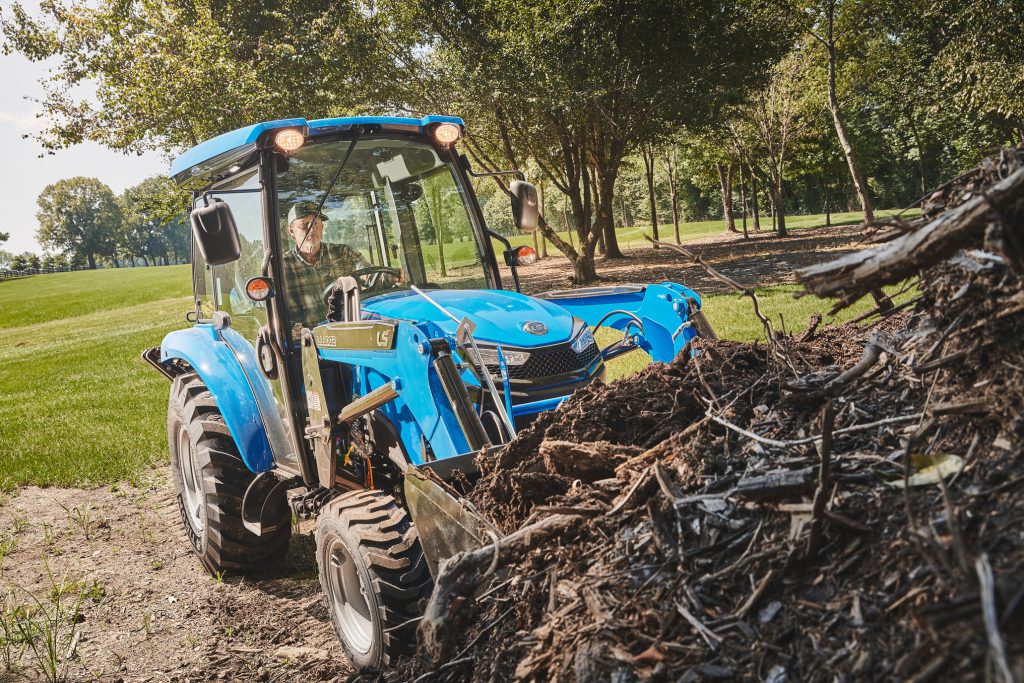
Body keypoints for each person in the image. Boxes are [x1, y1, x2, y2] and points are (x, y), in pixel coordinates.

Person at [281, 201, 372, 326]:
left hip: (350, 329)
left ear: (322, 227)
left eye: (316, 223)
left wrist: (390, 277)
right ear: (291, 231)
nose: (312, 229)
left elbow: (369, 274)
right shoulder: (282, 266)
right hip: (310, 340)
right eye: (304, 225)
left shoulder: (344, 252)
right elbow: (268, 301)